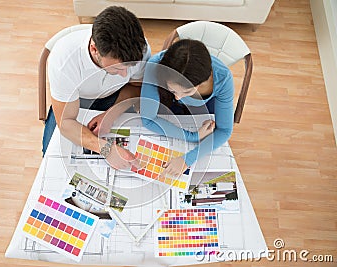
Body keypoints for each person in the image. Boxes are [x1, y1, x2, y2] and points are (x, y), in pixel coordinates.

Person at [43, 6, 151, 169]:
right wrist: (106, 149)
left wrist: (112, 113)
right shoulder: (63, 62)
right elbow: (66, 122)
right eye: (116, 69)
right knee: (53, 163)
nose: (124, 75)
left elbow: (135, 86)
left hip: (116, 95)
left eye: (129, 67)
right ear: (94, 49)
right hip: (76, 101)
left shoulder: (140, 50)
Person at [140, 39, 234, 177]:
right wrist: (192, 136)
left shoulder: (223, 78)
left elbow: (225, 130)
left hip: (204, 107)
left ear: (203, 82)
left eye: (187, 91)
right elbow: (147, 119)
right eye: (173, 90)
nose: (178, 97)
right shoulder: (155, 66)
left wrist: (187, 159)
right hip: (167, 104)